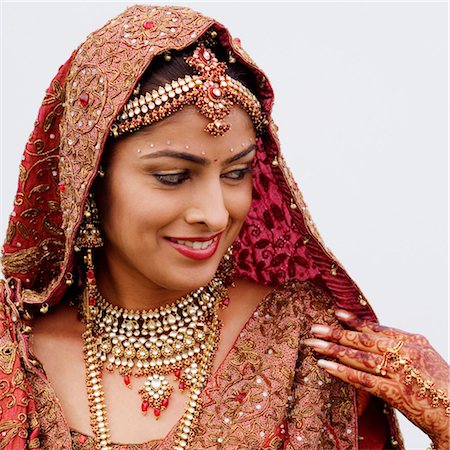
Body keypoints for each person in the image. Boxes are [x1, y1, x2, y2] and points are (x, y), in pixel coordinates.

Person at [0, 4, 448, 450]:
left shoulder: (304, 342)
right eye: (173, 177)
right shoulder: (15, 356)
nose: (214, 214)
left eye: (236, 173)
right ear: (89, 182)